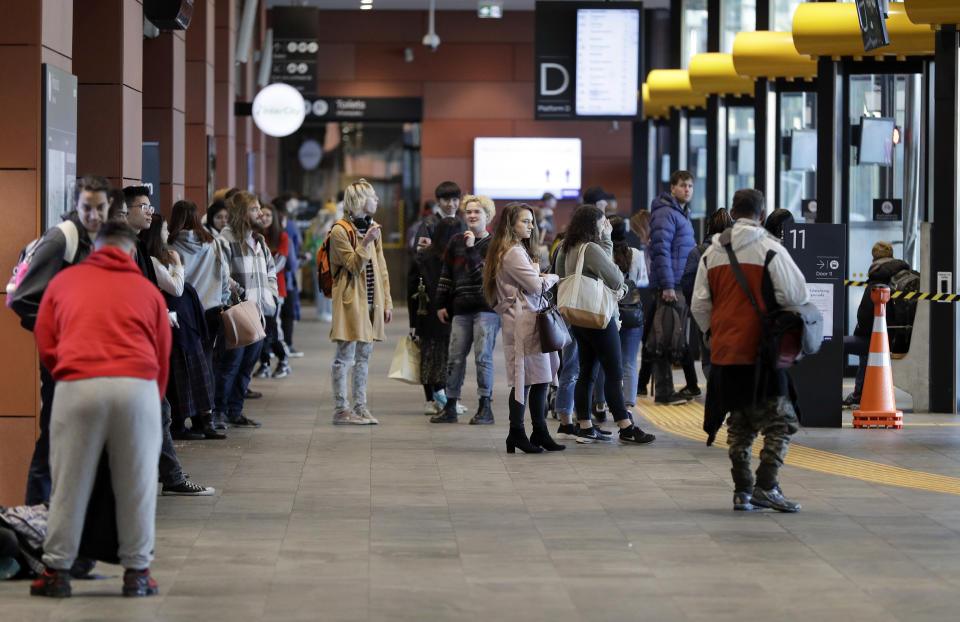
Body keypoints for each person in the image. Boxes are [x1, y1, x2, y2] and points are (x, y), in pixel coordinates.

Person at [30, 221, 170, 598]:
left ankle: (57, 573)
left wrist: (67, 373)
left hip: (79, 385)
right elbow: (162, 352)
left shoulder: (64, 282)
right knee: (137, 484)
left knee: (68, 483)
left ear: (96, 248)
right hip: (137, 386)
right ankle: (137, 574)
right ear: (130, 252)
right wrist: (150, 401)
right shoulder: (147, 289)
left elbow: (45, 339)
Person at [691, 189, 809, 513]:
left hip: (726, 351)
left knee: (739, 423)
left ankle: (742, 490)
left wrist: (714, 333)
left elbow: (699, 304)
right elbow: (796, 293)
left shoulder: (712, 252)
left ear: (732, 211)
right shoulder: (771, 248)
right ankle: (767, 486)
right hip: (763, 353)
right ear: (762, 213)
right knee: (781, 422)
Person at [11, 175, 111, 505]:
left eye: (99, 207)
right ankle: (35, 524)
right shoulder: (61, 239)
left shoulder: (103, 241)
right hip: (63, 358)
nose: (93, 215)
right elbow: (24, 299)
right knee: (54, 441)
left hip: (92, 358)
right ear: (75, 205)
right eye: (86, 208)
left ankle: (65, 520)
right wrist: (64, 336)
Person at [125, 188, 215, 496]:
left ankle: (166, 476)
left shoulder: (138, 249)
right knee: (156, 411)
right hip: (129, 346)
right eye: (143, 206)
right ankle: (165, 477)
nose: (150, 212)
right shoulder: (125, 250)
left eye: (150, 207)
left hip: (145, 341)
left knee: (159, 410)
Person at [554, 205, 656, 445]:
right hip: (597, 317)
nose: (605, 228)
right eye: (602, 224)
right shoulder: (590, 248)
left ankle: (585, 427)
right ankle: (626, 426)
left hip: (577, 316)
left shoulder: (564, 248)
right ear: (594, 226)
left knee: (586, 371)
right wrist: (607, 240)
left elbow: (560, 279)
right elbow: (616, 276)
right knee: (614, 372)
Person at [482, 203, 562, 453]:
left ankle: (538, 432)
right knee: (525, 380)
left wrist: (540, 279)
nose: (531, 226)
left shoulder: (515, 250)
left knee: (539, 378)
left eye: (531, 221)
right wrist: (553, 277)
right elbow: (535, 286)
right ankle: (517, 432)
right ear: (511, 225)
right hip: (524, 322)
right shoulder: (513, 252)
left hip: (528, 319)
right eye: (524, 221)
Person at [431, 195, 500, 424]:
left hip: (487, 308)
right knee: (455, 358)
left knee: (483, 357)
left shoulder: (495, 244)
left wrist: (471, 250)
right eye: (468, 212)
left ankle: (485, 407)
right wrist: (440, 303)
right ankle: (450, 405)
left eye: (477, 212)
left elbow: (483, 277)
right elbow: (446, 274)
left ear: (487, 217)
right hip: (461, 308)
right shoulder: (456, 241)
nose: (471, 216)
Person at [328, 179, 392, 425]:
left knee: (364, 357)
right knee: (344, 356)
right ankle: (341, 409)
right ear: (359, 200)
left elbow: (382, 267)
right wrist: (365, 242)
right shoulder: (340, 230)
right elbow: (354, 266)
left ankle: (360, 407)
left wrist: (387, 302)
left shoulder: (374, 227)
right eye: (372, 196)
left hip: (371, 301)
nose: (376, 200)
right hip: (349, 300)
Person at [215, 190, 279, 429]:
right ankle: (219, 412)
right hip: (239, 313)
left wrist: (270, 296)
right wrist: (242, 295)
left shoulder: (260, 241)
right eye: (254, 209)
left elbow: (271, 271)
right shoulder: (225, 240)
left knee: (246, 368)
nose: (260, 213)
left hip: (260, 314)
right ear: (242, 213)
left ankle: (235, 411)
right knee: (229, 366)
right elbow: (222, 275)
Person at [168, 199, 231, 438]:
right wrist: (222, 298)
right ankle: (205, 420)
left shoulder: (169, 244)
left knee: (183, 369)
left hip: (184, 312)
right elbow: (224, 277)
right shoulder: (211, 242)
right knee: (207, 366)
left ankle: (181, 418)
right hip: (212, 310)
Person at [648, 170, 699, 404]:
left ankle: (668, 390)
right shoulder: (666, 213)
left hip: (680, 284)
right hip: (671, 286)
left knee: (672, 338)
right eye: (682, 185)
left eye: (690, 185)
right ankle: (664, 393)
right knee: (664, 340)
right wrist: (668, 285)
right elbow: (661, 251)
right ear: (672, 189)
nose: (687, 189)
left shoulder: (681, 214)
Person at [842, 241, 912, 408]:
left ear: (873, 259)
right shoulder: (901, 275)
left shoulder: (877, 278)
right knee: (866, 340)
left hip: (881, 341)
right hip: (900, 337)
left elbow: (865, 316)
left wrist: (859, 330)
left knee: (836, 342)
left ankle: (850, 392)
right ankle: (859, 392)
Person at [412, 217, 465, 419]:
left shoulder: (423, 256)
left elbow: (412, 287)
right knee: (447, 357)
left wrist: (412, 320)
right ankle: (447, 400)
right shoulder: (454, 257)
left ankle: (431, 400)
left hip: (425, 313)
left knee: (428, 357)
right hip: (448, 313)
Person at [680, 208, 732, 380]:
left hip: (706, 312)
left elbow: (687, 283)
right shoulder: (736, 251)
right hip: (731, 311)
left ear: (709, 227)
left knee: (709, 356)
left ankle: (715, 391)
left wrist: (694, 306)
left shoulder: (698, 252)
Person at [254, 203, 291, 380]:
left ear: (274, 218)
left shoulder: (282, 237)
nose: (265, 218)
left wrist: (261, 274)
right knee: (260, 328)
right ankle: (265, 363)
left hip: (276, 290)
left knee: (273, 328)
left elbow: (279, 264)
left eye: (269, 215)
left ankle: (283, 362)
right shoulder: (255, 236)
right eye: (263, 215)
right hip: (256, 290)